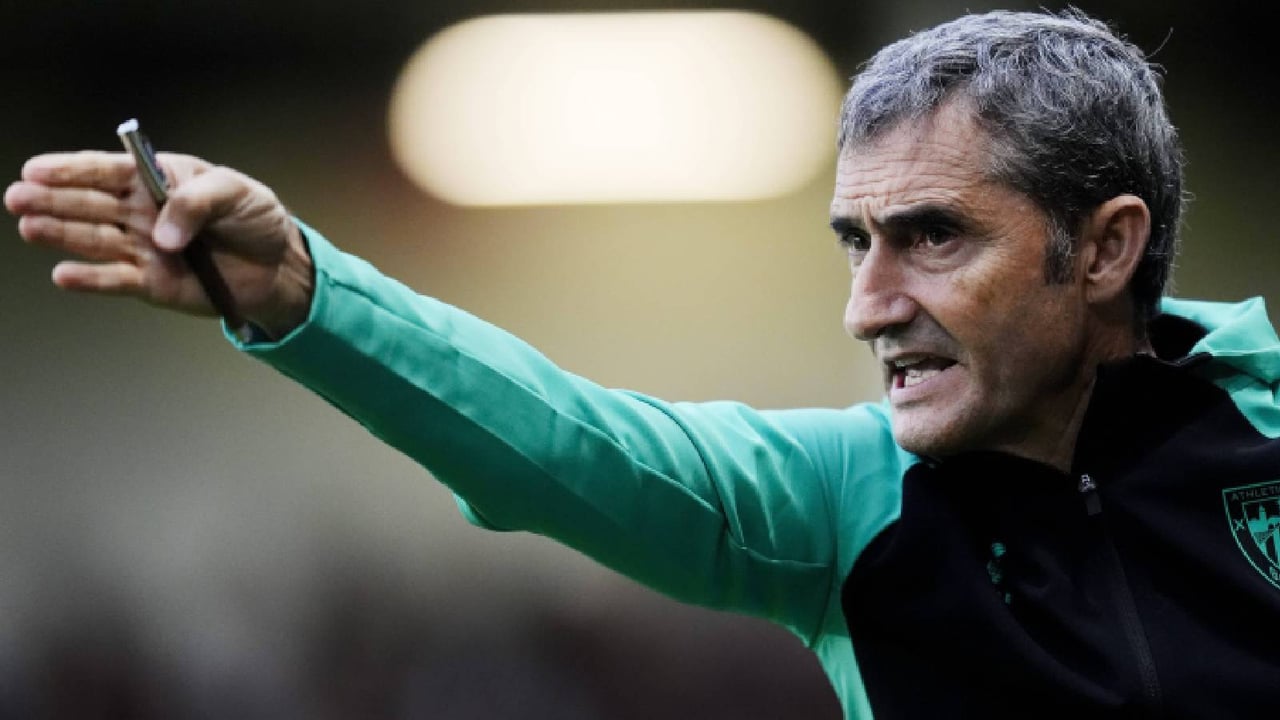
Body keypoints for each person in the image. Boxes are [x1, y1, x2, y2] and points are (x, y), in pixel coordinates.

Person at [6, 8, 1279, 718]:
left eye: (932, 237)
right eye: (856, 243)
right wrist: (307, 294)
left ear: (1102, 248)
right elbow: (567, 442)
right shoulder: (849, 503)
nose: (867, 307)